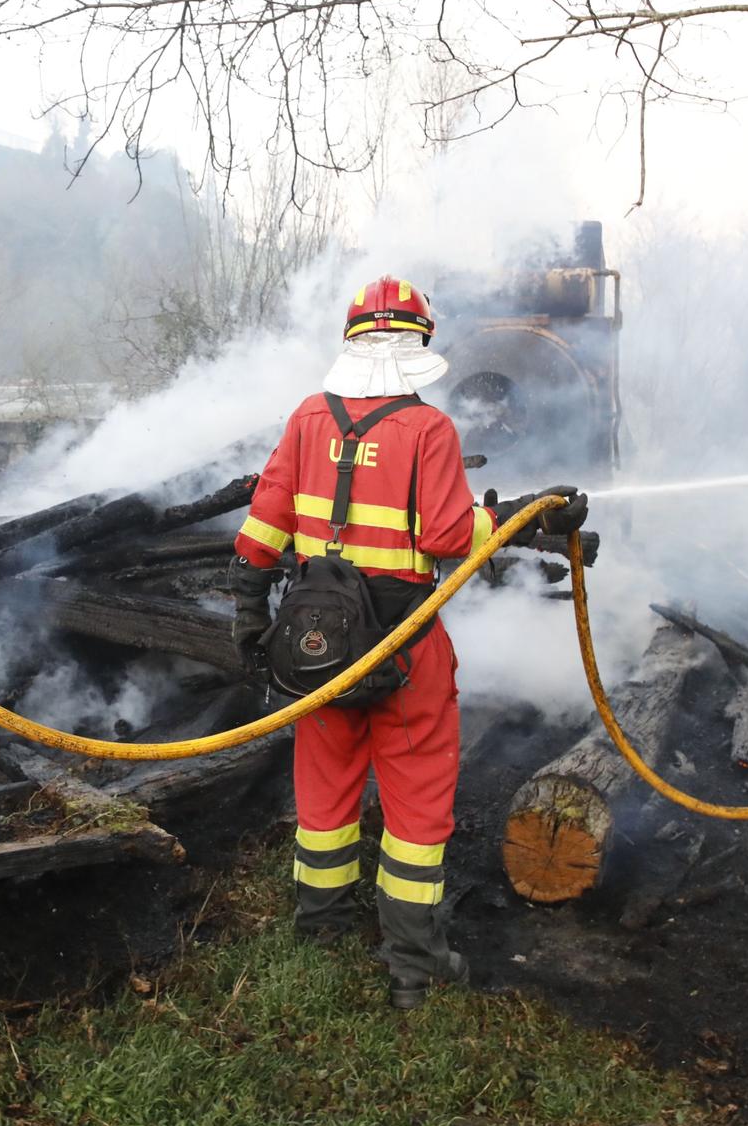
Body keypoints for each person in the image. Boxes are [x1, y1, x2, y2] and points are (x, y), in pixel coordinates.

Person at [230, 275, 587, 1009]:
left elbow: (264, 523)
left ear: (352, 342)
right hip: (403, 645)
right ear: (416, 344)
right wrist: (525, 517)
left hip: (315, 641)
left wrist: (245, 607)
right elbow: (452, 536)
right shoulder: (427, 429)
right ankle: (414, 966)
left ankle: (321, 930)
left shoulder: (306, 417)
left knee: (324, 789)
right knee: (416, 805)